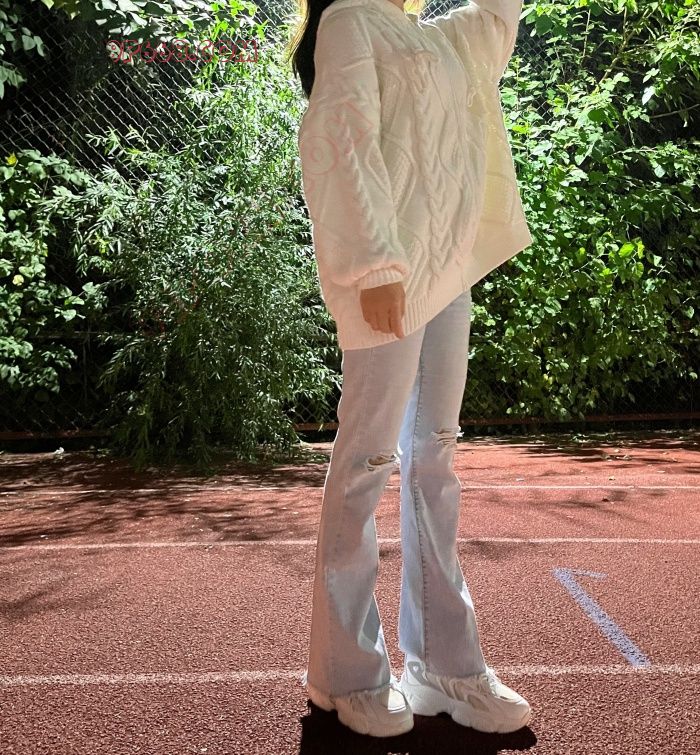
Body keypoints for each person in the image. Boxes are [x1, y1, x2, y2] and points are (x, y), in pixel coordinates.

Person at [287, 0, 534, 738]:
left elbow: (499, 16)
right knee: (366, 460)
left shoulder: (446, 36)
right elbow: (343, 141)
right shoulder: (351, 21)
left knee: (435, 456)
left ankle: (445, 667)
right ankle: (346, 674)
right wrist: (373, 265)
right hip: (385, 276)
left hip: (445, 277)